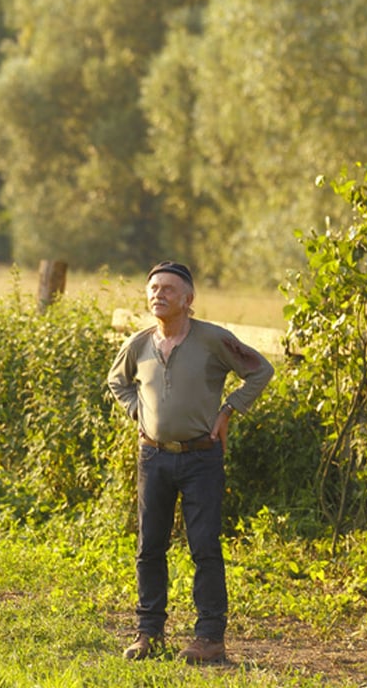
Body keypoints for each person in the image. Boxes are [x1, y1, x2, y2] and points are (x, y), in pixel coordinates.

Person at [107, 261, 274, 664]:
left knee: (204, 548)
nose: (158, 295)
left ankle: (210, 639)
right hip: (154, 457)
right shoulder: (139, 344)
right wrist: (138, 413)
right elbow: (117, 381)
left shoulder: (213, 340)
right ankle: (149, 633)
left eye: (168, 289)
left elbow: (260, 370)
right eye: (153, 288)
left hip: (201, 457)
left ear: (188, 299)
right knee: (150, 547)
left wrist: (229, 409)